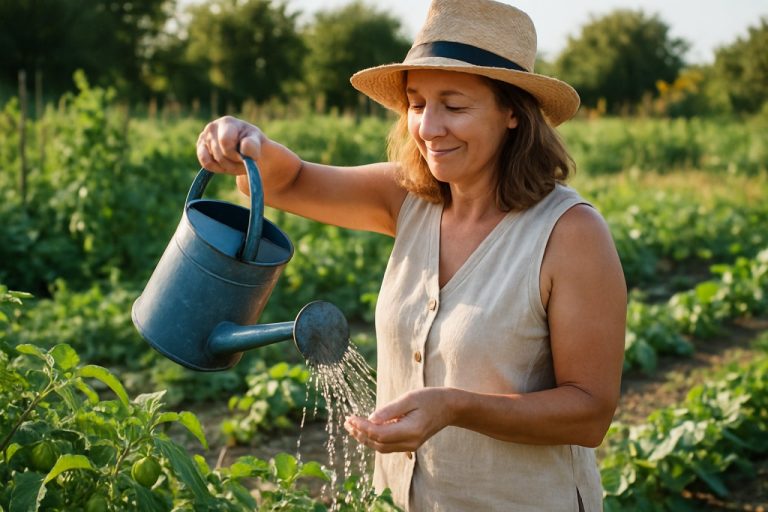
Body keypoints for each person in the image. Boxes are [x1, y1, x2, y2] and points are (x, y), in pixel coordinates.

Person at [196, 0, 627, 509]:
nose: (427, 127)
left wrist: (452, 407)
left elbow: (589, 413)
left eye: (455, 105)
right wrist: (244, 140)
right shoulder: (409, 200)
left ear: (512, 112)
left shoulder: (570, 233)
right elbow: (289, 179)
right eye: (418, 103)